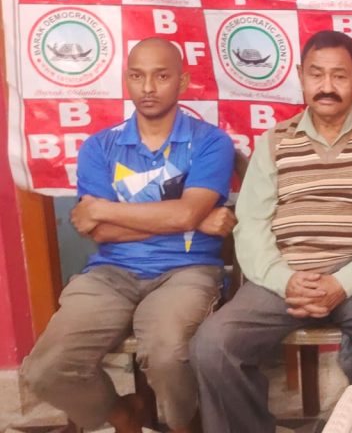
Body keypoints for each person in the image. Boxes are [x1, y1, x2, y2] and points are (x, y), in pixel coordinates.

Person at [190, 31, 352, 433]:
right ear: (300, 76)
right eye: (316, 74)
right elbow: (252, 222)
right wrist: (284, 280)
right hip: (286, 273)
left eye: (339, 76)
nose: (327, 86)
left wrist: (343, 282)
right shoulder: (275, 141)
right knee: (213, 345)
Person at [20, 38, 236, 433]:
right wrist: (189, 220)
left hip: (186, 272)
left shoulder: (210, 141)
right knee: (45, 368)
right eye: (137, 76)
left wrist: (106, 208)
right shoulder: (99, 146)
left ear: (182, 81)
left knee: (167, 354)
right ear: (126, 80)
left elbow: (182, 212)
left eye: (161, 76)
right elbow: (98, 230)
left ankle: (186, 427)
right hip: (111, 273)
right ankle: (125, 416)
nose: (148, 87)